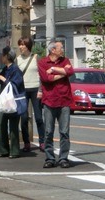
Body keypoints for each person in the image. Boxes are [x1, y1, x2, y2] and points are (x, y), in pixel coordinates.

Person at [37, 41, 74, 169]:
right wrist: (62, 72)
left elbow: (70, 72)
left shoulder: (65, 60)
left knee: (64, 132)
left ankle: (63, 158)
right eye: (60, 48)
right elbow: (46, 79)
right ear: (53, 50)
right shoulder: (42, 62)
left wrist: (53, 70)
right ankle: (50, 158)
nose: (62, 49)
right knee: (48, 131)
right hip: (49, 100)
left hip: (64, 100)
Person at [17, 37, 45, 152]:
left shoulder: (36, 58)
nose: (21, 47)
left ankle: (42, 142)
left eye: (23, 45)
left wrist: (40, 90)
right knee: (23, 118)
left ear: (28, 46)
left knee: (38, 117)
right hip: (23, 90)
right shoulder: (17, 59)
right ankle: (26, 143)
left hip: (35, 90)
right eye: (20, 45)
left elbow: (43, 76)